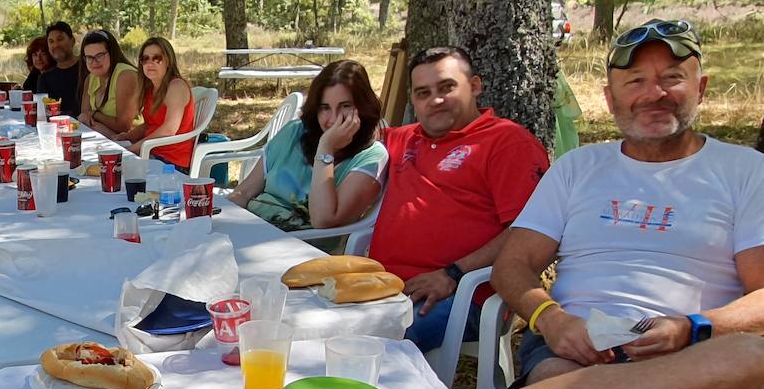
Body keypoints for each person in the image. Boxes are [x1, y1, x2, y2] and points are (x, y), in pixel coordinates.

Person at [465, 19, 764, 389]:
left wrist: (691, 328)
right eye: (636, 81)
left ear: (700, 88)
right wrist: (551, 319)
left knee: (753, 357)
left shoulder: (745, 171)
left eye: (671, 78)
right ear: (610, 98)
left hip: (683, 366)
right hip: (573, 349)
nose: (654, 93)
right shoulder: (578, 167)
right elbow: (513, 265)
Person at [369, 46, 549, 353]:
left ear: (475, 86)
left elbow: (527, 231)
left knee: (369, 344)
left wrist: (453, 273)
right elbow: (351, 131)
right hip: (380, 284)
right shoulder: (405, 138)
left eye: (446, 87)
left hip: (462, 293)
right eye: (423, 93)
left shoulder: (507, 142)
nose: (435, 101)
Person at [228, 60, 388, 233]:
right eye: (324, 108)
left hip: (301, 246)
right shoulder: (294, 132)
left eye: (345, 106)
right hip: (249, 229)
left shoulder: (372, 158)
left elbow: (323, 219)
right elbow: (244, 192)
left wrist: (326, 147)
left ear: (363, 107)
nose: (333, 120)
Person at [120, 37, 198, 171]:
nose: (150, 63)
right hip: (153, 154)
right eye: (145, 59)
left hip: (172, 163)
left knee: (114, 170)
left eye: (157, 58)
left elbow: (169, 130)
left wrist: (132, 149)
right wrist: (124, 137)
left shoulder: (176, 86)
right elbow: (149, 125)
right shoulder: (151, 88)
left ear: (168, 61)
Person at [78, 29, 141, 139]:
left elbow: (124, 126)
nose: (94, 62)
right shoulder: (90, 78)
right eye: (89, 57)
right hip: (102, 139)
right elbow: (84, 118)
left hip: (131, 141)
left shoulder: (125, 75)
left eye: (100, 55)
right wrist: (92, 118)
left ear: (111, 53)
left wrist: (94, 114)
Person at [36, 21, 81, 115]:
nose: (55, 45)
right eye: (51, 41)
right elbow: (45, 113)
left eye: (60, 39)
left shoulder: (89, 68)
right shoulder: (45, 79)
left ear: (72, 41)